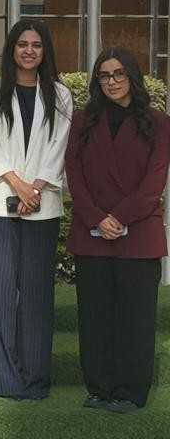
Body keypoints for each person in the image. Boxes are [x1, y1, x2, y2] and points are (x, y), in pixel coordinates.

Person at [65, 48, 170, 413]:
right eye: (104, 75)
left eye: (119, 74)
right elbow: (74, 173)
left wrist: (119, 217)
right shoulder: (82, 120)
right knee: (94, 316)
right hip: (91, 232)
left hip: (138, 233)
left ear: (133, 77)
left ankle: (129, 391)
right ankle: (98, 388)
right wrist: (97, 218)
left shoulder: (158, 121)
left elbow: (154, 181)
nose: (112, 82)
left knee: (135, 318)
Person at [0, 20, 71, 400]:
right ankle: (4, 381)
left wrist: (36, 188)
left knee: (36, 294)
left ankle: (34, 380)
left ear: (45, 51)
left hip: (42, 206)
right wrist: (18, 185)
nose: (29, 51)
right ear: (12, 49)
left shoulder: (61, 95)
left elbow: (59, 145)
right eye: (22, 44)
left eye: (36, 45)